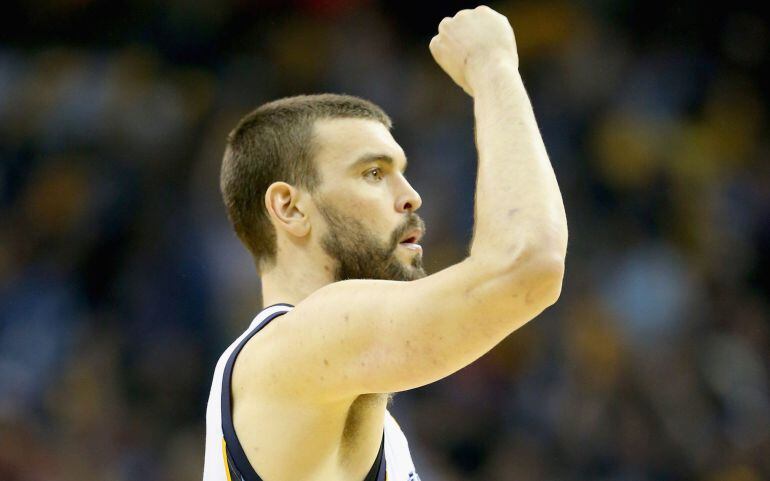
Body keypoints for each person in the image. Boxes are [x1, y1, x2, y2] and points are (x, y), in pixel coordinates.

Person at [203, 5, 568, 481]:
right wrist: (492, 63)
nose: (411, 196)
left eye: (402, 171)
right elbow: (528, 264)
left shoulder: (367, 419)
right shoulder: (296, 344)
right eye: (373, 173)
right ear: (289, 209)